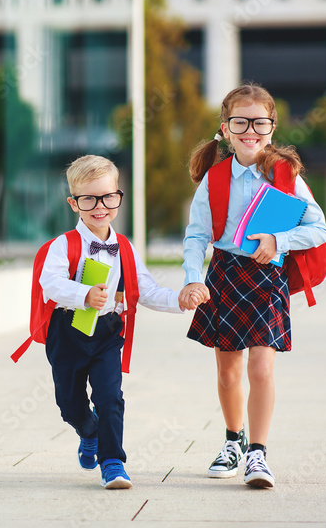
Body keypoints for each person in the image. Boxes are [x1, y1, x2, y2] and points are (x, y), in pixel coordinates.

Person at [180, 84, 326, 488]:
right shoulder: (212, 179)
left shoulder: (286, 175)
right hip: (224, 276)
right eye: (240, 122)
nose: (250, 130)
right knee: (229, 374)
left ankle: (258, 455)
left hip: (267, 278)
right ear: (225, 128)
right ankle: (234, 440)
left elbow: (319, 228)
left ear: (272, 126)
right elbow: (195, 236)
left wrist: (278, 241)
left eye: (259, 122)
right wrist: (193, 279)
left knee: (261, 367)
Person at [40, 154, 203, 489]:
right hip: (67, 331)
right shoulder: (63, 245)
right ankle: (88, 430)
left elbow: (146, 289)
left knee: (110, 395)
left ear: (118, 196)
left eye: (108, 197)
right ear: (74, 203)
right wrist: (83, 294)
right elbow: (50, 282)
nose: (100, 206)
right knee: (69, 403)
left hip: (107, 332)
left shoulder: (125, 248)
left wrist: (179, 298)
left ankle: (113, 462)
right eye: (89, 199)